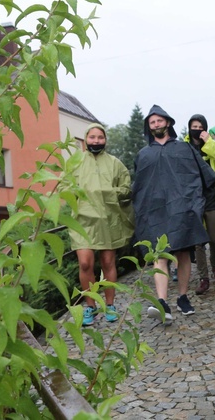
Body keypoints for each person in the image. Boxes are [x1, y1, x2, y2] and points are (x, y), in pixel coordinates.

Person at [133, 105, 215, 323]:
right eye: (152, 122)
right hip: (156, 212)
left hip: (183, 210)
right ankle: (162, 302)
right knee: (160, 254)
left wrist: (196, 206)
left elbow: (205, 177)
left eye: (159, 121)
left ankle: (182, 297)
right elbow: (139, 187)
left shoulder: (185, 148)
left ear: (168, 123)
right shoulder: (143, 155)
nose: (156, 125)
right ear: (148, 127)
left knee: (182, 255)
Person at [67, 123, 134, 327]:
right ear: (86, 139)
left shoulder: (115, 163)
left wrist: (110, 193)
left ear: (105, 140)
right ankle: (90, 306)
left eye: (100, 137)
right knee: (85, 263)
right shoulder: (74, 162)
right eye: (92, 137)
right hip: (82, 220)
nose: (96, 141)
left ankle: (110, 304)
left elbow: (126, 187)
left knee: (107, 262)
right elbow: (63, 185)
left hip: (108, 219)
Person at [186, 114, 215, 296]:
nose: (196, 129)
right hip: (194, 198)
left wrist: (210, 143)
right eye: (193, 126)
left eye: (200, 126)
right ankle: (203, 278)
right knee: (198, 242)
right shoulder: (184, 147)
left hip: (212, 197)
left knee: (213, 238)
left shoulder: (210, 145)